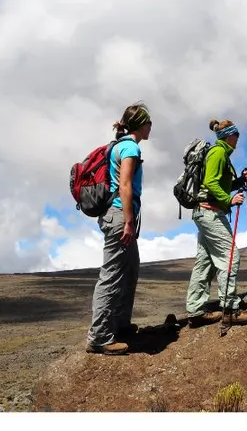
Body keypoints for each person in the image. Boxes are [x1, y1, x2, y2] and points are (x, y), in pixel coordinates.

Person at [86, 102, 153, 355]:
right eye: (149, 123)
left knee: (130, 269)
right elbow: (124, 185)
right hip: (118, 215)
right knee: (113, 275)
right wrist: (127, 221)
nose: (150, 128)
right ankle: (100, 337)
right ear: (141, 124)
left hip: (116, 215)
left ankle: (120, 325)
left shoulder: (120, 145)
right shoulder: (129, 147)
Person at [184, 118, 247, 327]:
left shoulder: (221, 154)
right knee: (230, 256)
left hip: (205, 212)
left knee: (205, 263)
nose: (239, 139)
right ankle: (230, 309)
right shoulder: (218, 152)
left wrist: (238, 182)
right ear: (230, 135)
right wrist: (229, 200)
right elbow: (210, 182)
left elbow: (219, 183)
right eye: (237, 135)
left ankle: (196, 312)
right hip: (210, 213)